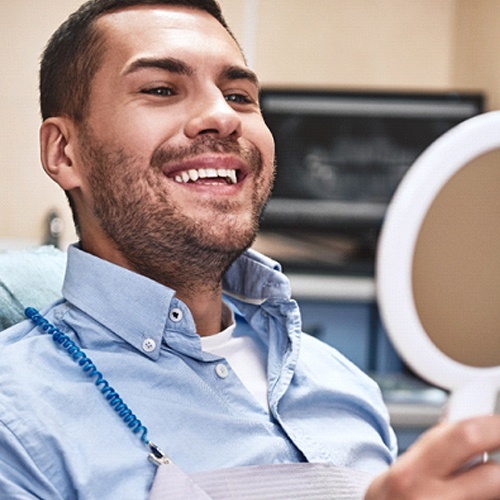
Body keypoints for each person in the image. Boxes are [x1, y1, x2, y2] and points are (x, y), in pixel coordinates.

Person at [1, 0, 500, 498]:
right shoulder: (16, 417)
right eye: (160, 89)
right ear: (64, 152)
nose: (222, 115)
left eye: (239, 96)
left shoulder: (345, 386)